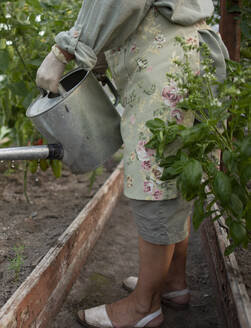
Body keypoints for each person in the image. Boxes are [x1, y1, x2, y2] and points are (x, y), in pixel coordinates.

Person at [35, 1, 229, 327]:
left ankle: (144, 308)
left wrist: (62, 52)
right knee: (175, 174)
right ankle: (172, 282)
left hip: (163, 62)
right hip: (189, 51)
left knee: (152, 181)